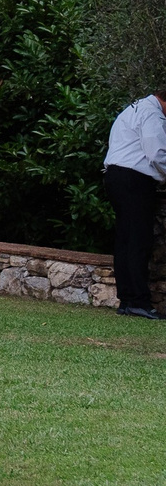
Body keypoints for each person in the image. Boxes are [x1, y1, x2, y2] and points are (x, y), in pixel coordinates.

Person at [102, 87, 164, 320]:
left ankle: (127, 299)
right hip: (133, 179)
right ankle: (138, 300)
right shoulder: (152, 114)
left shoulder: (133, 108)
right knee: (139, 238)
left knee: (126, 238)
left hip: (115, 176)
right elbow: (157, 153)